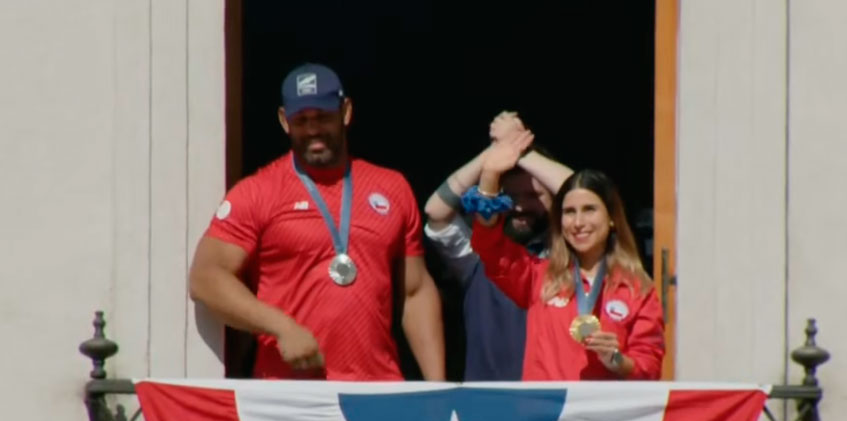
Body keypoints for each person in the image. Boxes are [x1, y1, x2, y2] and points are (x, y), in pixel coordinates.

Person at [189, 63, 445, 381]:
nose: (313, 130)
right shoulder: (257, 192)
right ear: (284, 121)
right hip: (290, 394)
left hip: (377, 389)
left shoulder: (392, 188)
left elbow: (415, 291)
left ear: (346, 112)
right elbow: (205, 278)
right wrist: (280, 327)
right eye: (302, 120)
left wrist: (437, 388)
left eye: (322, 117)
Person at [466, 133, 664, 380]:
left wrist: (616, 359)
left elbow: (650, 367)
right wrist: (489, 176)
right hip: (545, 415)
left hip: (604, 415)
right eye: (569, 212)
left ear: (612, 217)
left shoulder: (637, 289)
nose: (578, 222)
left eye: (589, 210)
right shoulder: (539, 277)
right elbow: (490, 247)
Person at [424, 112, 573, 381]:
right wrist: (493, 155)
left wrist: (522, 152)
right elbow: (436, 210)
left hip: (552, 405)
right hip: (486, 406)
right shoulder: (476, 253)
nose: (520, 206)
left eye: (534, 195)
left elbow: (590, 195)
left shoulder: (574, 253)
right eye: (511, 196)